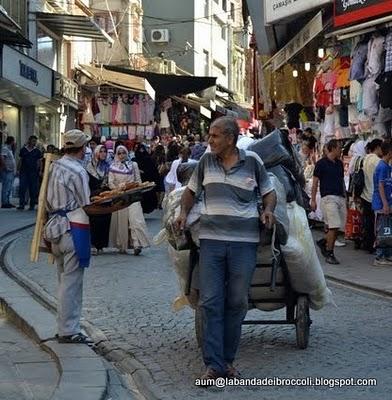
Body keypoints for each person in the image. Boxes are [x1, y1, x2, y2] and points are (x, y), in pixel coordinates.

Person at [176, 116, 276, 382]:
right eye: (210, 135)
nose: (210, 140)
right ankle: (213, 364)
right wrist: (183, 212)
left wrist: (268, 210)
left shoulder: (252, 162)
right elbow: (190, 192)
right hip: (211, 243)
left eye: (215, 135)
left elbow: (269, 192)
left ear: (230, 138)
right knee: (209, 302)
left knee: (237, 301)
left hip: (244, 244)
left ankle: (228, 361)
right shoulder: (205, 163)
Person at [43, 129, 93, 344]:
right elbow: (85, 203)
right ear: (82, 149)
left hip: (54, 229)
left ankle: (65, 326)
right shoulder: (78, 171)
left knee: (64, 281)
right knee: (72, 283)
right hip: (72, 228)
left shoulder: (53, 166)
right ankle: (68, 329)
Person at [108, 145, 151, 255]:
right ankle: (122, 245)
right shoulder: (112, 166)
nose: (122, 155)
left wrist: (137, 187)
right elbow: (111, 182)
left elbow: (138, 179)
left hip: (133, 196)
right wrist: (119, 189)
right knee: (122, 222)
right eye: (119, 153)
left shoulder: (133, 164)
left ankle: (137, 244)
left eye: (124, 153)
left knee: (135, 219)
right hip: (120, 197)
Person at [311, 139, 346, 265]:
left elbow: (341, 181)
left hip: (339, 197)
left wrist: (345, 197)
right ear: (332, 148)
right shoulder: (321, 164)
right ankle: (329, 253)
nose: (341, 150)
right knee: (334, 225)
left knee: (338, 227)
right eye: (339, 147)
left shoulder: (339, 164)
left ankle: (323, 241)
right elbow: (315, 183)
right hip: (328, 198)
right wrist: (313, 200)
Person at [86, 145, 111, 254]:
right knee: (94, 220)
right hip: (93, 196)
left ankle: (101, 245)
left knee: (105, 219)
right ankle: (93, 244)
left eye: (105, 151)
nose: (103, 153)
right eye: (101, 151)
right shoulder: (89, 166)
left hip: (105, 196)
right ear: (96, 152)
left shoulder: (108, 166)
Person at [360, 139, 382, 253]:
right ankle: (373, 245)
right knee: (374, 223)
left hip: (365, 194)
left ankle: (367, 243)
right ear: (378, 147)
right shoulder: (377, 161)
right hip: (374, 195)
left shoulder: (366, 158)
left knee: (368, 221)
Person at [372, 141, 392, 266]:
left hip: (386, 203)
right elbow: (380, 186)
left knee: (387, 230)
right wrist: (385, 204)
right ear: (389, 152)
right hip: (380, 204)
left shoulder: (387, 167)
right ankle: (379, 257)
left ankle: (387, 254)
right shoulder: (382, 167)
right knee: (382, 230)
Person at [18, 135, 42, 210]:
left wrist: (39, 170)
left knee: (33, 189)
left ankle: (32, 205)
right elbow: (20, 160)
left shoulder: (37, 151)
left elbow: (39, 162)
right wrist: (18, 169)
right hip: (24, 171)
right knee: (22, 188)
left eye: (35, 141)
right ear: (29, 141)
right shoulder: (23, 150)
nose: (34, 143)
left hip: (33, 172)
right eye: (33, 141)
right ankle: (21, 204)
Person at [134, 143, 158, 213]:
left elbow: (153, 170)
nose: (141, 151)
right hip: (139, 181)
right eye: (140, 149)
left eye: (142, 149)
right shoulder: (135, 160)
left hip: (147, 180)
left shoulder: (148, 159)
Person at [1, 136, 16, 208]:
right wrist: (5, 167)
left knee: (9, 187)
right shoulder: (5, 148)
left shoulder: (9, 149)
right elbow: (2, 158)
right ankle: (4, 203)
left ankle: (7, 201)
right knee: (6, 186)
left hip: (11, 170)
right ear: (12, 141)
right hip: (7, 170)